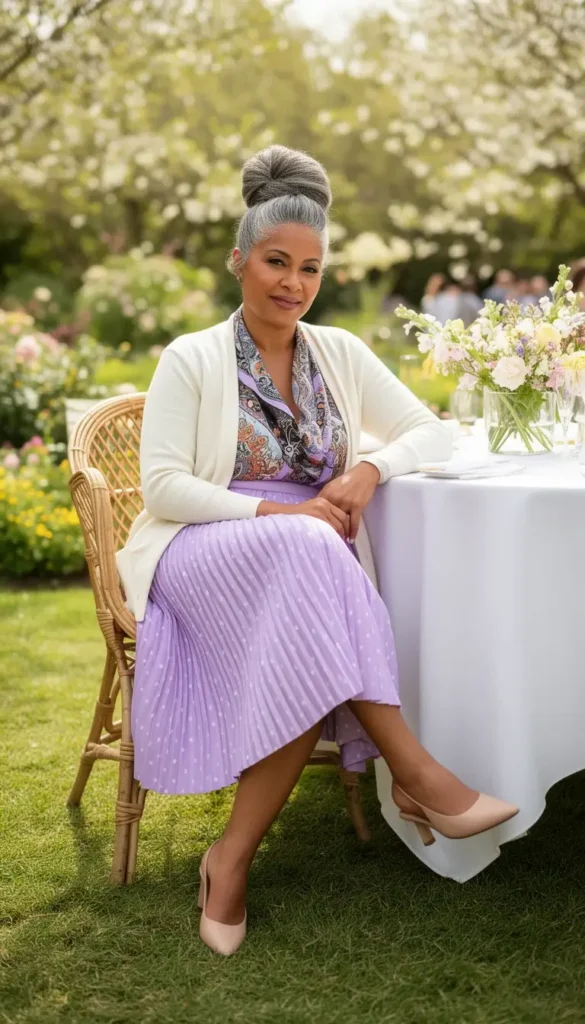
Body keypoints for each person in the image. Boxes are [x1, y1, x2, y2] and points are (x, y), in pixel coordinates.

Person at [116, 145, 518, 956]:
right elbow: (161, 489)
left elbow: (430, 429)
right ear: (238, 260)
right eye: (274, 262)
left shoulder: (335, 352)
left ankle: (228, 860)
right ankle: (417, 773)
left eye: (309, 268)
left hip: (305, 558)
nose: (292, 284)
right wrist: (276, 511)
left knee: (310, 580)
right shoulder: (191, 357)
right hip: (204, 547)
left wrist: (370, 468)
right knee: (310, 552)